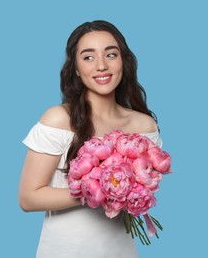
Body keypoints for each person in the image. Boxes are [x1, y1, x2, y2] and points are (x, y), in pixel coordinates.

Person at [19, 20, 162, 258]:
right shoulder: (59, 119)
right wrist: (97, 190)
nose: (101, 66)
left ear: (123, 62)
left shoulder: (143, 126)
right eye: (88, 57)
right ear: (75, 68)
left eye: (111, 54)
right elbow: (28, 197)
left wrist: (131, 191)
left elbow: (145, 189)